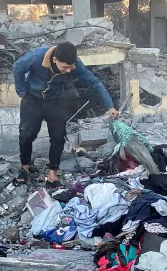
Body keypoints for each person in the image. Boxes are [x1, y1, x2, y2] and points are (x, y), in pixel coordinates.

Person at [13, 42, 120, 188]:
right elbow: (18, 67)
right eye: (65, 67)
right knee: (26, 134)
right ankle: (25, 167)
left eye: (71, 67)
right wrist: (22, 92)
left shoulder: (76, 65)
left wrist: (110, 106)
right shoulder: (36, 56)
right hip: (32, 98)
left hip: (55, 100)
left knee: (58, 137)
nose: (68, 70)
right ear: (55, 59)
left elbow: (94, 83)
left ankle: (52, 174)